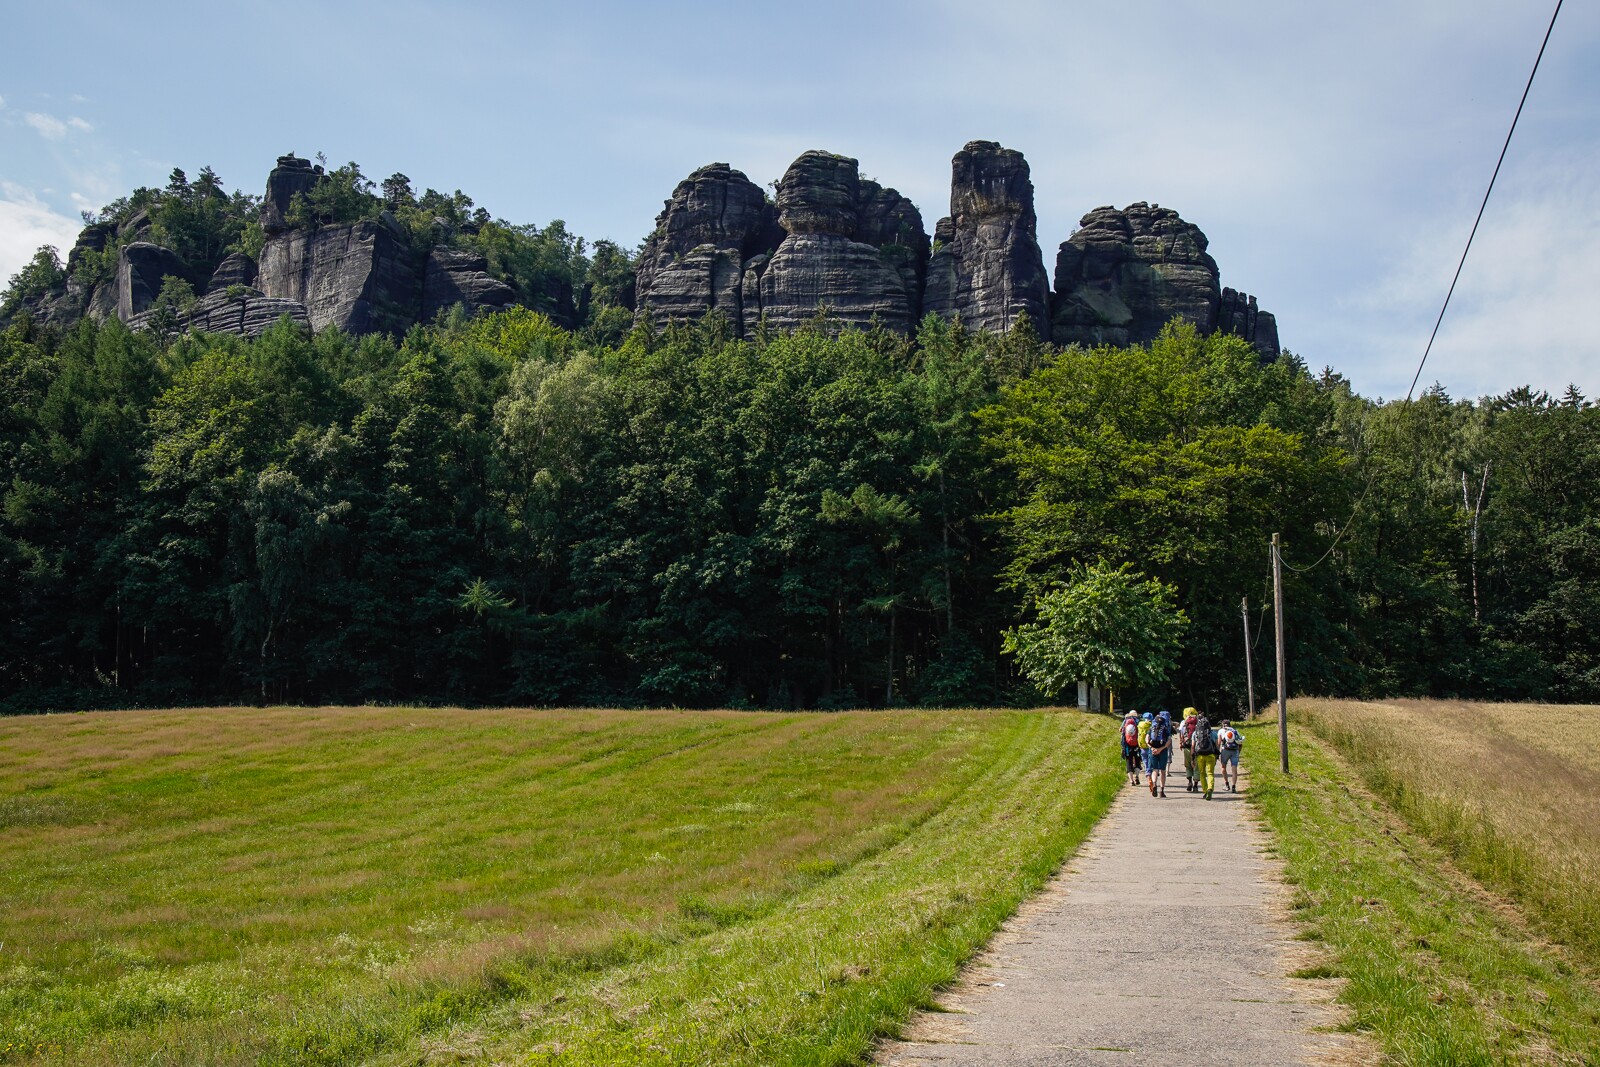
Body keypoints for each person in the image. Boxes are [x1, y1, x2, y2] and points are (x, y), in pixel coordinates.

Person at [1191, 709, 1218, 799]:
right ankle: (1210, 788)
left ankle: (1205, 791)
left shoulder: (1195, 733)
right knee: (1210, 773)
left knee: (1202, 774)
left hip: (1200, 756)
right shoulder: (1213, 733)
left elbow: (1193, 746)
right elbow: (1217, 746)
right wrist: (1217, 756)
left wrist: (1192, 758)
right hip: (1210, 755)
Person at [1147, 709, 1173, 798]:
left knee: (1154, 770)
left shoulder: (1152, 728)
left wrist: (1152, 748)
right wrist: (1161, 749)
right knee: (1163, 771)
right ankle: (1162, 791)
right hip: (1163, 751)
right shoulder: (1165, 728)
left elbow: (1147, 739)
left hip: (1153, 750)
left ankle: (1154, 784)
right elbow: (1169, 740)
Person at [1216, 719, 1243, 792]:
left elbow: (1219, 742)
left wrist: (1217, 752)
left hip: (1225, 750)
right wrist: (1238, 752)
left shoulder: (1221, 731)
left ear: (1223, 725)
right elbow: (1240, 743)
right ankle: (1233, 786)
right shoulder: (1235, 731)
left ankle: (1227, 784)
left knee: (1223, 767)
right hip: (1235, 750)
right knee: (1234, 769)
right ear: (1230, 725)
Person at [1179, 707, 1200, 792]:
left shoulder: (1184, 723)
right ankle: (1195, 786)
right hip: (1197, 748)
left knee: (1188, 766)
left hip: (1187, 747)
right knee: (1196, 767)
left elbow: (1181, 735)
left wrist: (1181, 743)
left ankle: (1189, 782)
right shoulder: (1198, 722)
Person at [1120, 710, 1142, 786]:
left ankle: (1131, 781)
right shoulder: (1138, 721)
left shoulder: (1125, 721)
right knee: (1138, 761)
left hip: (1127, 745)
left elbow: (1120, 730)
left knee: (1128, 762)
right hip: (1137, 745)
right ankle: (1137, 776)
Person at [1136, 711, 1153, 778]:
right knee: (1150, 759)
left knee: (1145, 759)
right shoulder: (1151, 725)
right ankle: (1150, 771)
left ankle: (1147, 771)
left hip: (1142, 745)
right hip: (1150, 745)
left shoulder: (1140, 724)